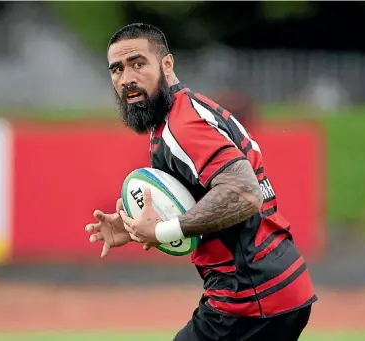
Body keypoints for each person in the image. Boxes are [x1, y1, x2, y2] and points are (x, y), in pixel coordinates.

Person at [85, 23, 317, 341]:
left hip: (249, 297)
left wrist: (162, 231)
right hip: (279, 284)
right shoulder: (184, 112)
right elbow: (206, 195)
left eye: (138, 64)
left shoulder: (183, 126)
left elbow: (243, 193)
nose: (127, 79)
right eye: (117, 70)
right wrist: (133, 226)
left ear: (166, 64)